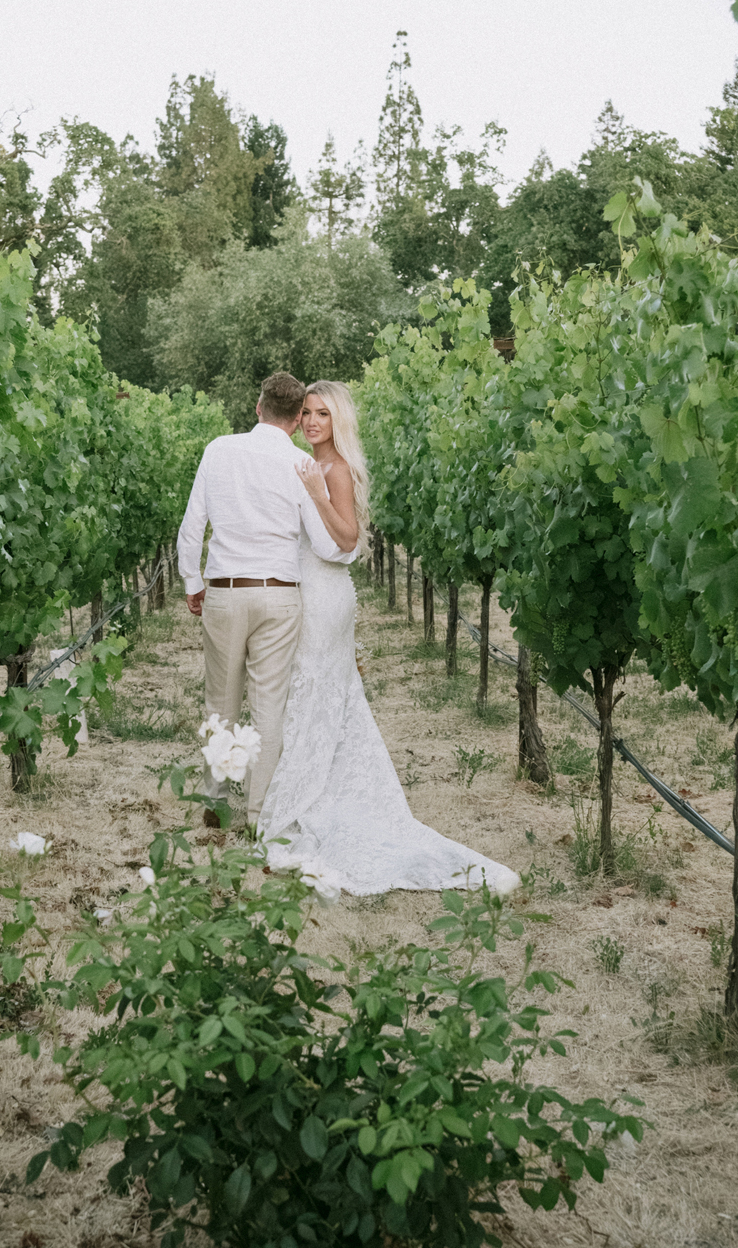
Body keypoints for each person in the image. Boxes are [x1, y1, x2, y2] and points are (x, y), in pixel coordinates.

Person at [257, 380, 521, 897]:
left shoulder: (333, 470)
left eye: (322, 414)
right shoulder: (310, 464)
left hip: (324, 596)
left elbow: (348, 539)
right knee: (318, 692)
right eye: (306, 413)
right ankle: (313, 789)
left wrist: (315, 495)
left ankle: (303, 799)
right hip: (310, 590)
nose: (311, 422)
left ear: (338, 421)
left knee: (314, 690)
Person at [176, 372, 356, 828]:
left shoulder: (218, 449)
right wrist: (344, 551)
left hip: (225, 591)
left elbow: (192, 525)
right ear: (296, 420)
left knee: (220, 704)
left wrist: (192, 582)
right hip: (279, 597)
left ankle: (215, 804)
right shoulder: (301, 464)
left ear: (258, 408)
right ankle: (260, 816)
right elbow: (325, 544)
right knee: (269, 708)